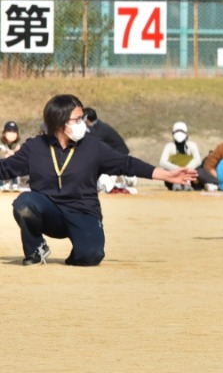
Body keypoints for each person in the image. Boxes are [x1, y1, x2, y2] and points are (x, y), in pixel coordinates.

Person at [5, 94, 195, 266]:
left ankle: (80, 250)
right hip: (49, 212)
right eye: (77, 119)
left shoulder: (92, 145)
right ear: (60, 122)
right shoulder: (35, 147)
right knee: (24, 203)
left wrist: (166, 174)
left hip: (83, 211)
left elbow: (126, 163)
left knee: (90, 255)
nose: (83, 123)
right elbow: (5, 168)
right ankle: (36, 249)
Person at [83, 107, 135, 193]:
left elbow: (94, 145)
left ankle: (124, 181)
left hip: (120, 153)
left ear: (87, 119)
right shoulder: (96, 126)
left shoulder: (99, 129)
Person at [158, 121, 202, 190]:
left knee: (199, 172)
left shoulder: (192, 145)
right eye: (177, 131)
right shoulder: (169, 146)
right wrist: (178, 170)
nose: (179, 134)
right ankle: (176, 183)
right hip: (173, 175)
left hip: (189, 175)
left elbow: (198, 160)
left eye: (181, 131)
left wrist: (185, 170)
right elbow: (162, 162)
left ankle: (187, 183)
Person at [0, 121, 27, 191]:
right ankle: (1, 184)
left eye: (14, 132)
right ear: (4, 133)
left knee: (15, 163)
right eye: (9, 131)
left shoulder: (19, 144)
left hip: (12, 167)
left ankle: (14, 184)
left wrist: (13, 152)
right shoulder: (1, 143)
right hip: (2, 167)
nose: (11, 134)